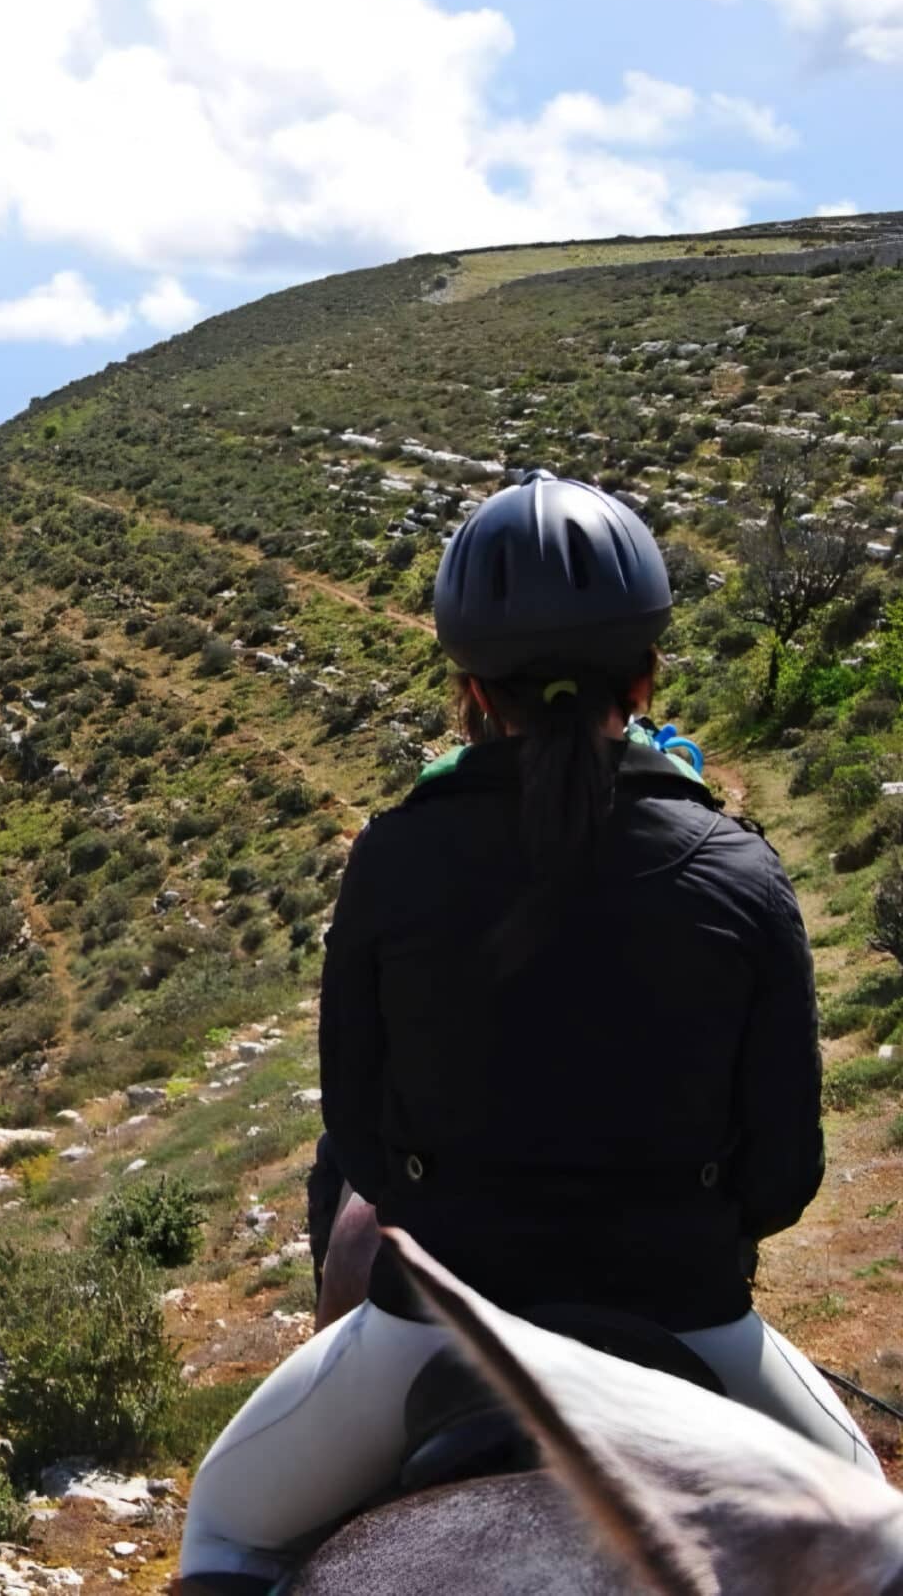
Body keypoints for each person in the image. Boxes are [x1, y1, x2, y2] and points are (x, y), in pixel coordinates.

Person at [178, 474, 880, 1595]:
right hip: (690, 1320)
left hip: (430, 1329)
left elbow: (360, 1146)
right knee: (876, 1541)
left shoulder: (394, 860)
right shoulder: (742, 874)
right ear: (647, 676)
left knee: (224, 1533)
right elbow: (785, 1174)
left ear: (470, 690)